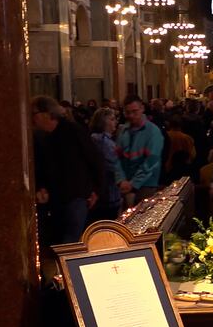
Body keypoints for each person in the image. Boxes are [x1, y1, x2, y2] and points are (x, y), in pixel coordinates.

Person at [32, 96, 103, 243]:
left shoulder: (73, 131)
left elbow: (95, 160)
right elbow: (41, 166)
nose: (32, 119)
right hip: (55, 198)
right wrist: (41, 187)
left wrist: (96, 189)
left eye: (34, 114)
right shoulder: (40, 137)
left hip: (75, 195)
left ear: (46, 113)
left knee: (70, 242)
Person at [115, 95, 164, 205]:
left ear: (142, 108)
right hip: (125, 183)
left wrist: (133, 183)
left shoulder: (153, 132)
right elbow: (117, 158)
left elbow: (151, 161)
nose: (131, 115)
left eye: (134, 111)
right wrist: (121, 180)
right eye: (128, 112)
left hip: (146, 184)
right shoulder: (123, 131)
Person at [88, 107, 122, 221]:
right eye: (112, 119)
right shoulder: (101, 141)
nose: (115, 122)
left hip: (109, 192)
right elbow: (113, 164)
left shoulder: (106, 140)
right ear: (103, 122)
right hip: (106, 194)